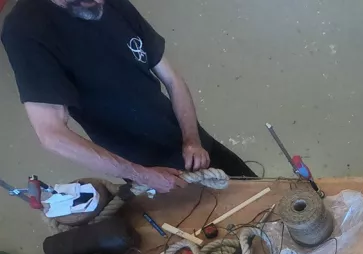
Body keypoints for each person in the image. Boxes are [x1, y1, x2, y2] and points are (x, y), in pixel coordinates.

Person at [1, 0, 256, 194]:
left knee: (259, 191)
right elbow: (52, 134)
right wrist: (143, 175)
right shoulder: (25, 31)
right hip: (144, 166)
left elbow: (172, 79)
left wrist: (192, 139)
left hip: (187, 141)